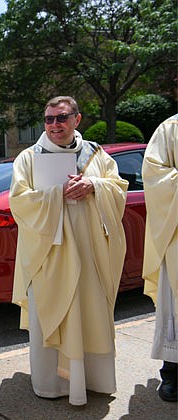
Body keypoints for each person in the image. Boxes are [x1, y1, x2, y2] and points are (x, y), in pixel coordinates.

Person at [9, 96, 128, 406]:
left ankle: (93, 380)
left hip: (90, 252)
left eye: (61, 118)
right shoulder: (28, 158)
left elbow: (118, 187)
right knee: (53, 313)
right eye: (48, 119)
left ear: (77, 119)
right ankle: (53, 384)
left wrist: (94, 185)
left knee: (90, 312)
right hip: (50, 254)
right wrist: (56, 194)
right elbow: (19, 202)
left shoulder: (97, 154)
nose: (54, 125)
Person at [142, 114, 178, 403]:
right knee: (174, 307)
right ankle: (173, 374)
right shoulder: (170, 129)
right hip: (176, 233)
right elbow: (154, 175)